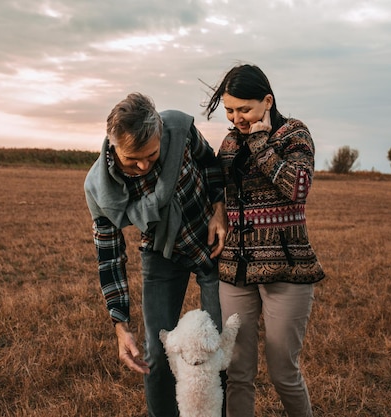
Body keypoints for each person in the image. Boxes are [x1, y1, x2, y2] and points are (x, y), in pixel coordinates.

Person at [84, 92, 228, 417]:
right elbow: (109, 256)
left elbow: (210, 163)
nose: (143, 165)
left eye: (151, 155)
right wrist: (120, 325)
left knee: (216, 349)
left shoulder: (178, 128)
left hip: (211, 245)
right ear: (113, 145)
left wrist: (220, 209)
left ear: (161, 132)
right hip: (162, 253)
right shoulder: (99, 188)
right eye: (132, 159)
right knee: (159, 352)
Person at [204, 64, 326, 417]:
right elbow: (219, 187)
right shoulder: (228, 143)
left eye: (245, 109)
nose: (237, 117)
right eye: (230, 109)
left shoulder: (294, 134)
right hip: (235, 270)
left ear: (267, 101)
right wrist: (217, 210)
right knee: (238, 371)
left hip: (286, 269)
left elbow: (297, 188)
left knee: (283, 372)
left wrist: (259, 142)